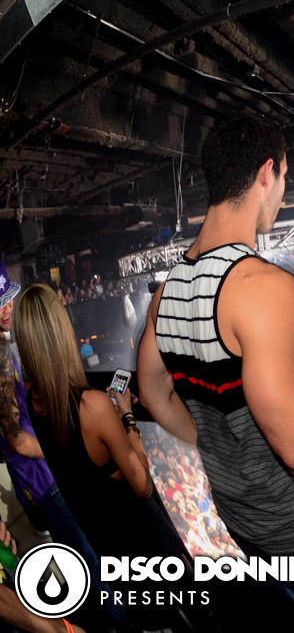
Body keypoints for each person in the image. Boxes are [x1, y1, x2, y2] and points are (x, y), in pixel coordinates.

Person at [136, 111, 294, 632]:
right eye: (284, 177)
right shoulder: (262, 287)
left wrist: (220, 443)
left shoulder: (166, 293)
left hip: (245, 523)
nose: (282, 192)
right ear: (266, 173)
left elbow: (153, 392)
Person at [14, 283, 198, 631]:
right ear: (61, 332)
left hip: (110, 548)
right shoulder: (93, 406)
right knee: (195, 618)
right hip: (142, 540)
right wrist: (126, 416)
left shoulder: (35, 398)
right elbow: (142, 486)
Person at [0, 264, 135, 633]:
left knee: (91, 563)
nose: (7, 308)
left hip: (44, 480)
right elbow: (17, 439)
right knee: (94, 567)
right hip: (44, 483)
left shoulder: (6, 349)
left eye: (8, 298)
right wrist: (68, 449)